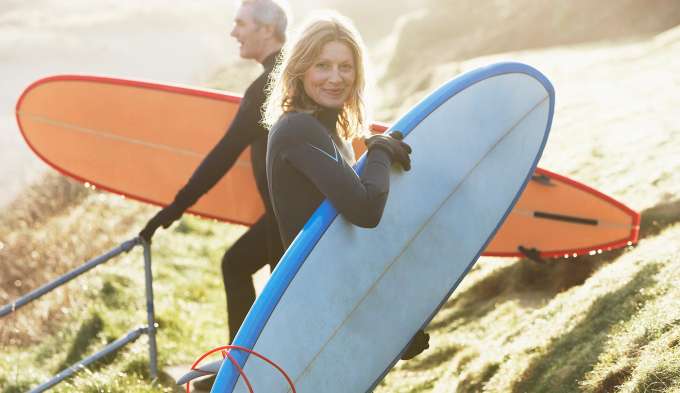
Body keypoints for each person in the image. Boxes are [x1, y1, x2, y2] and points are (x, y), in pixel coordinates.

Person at [263, 12, 429, 361]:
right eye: (322, 65)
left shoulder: (328, 131)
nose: (335, 78)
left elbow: (345, 231)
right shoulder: (298, 130)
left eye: (345, 67)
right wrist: (380, 149)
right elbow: (365, 210)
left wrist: (389, 318)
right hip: (315, 308)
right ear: (300, 70)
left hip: (336, 299)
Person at [139, 1, 288, 387]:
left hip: (288, 217)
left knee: (272, 295)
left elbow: (223, 155)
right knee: (238, 265)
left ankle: (246, 373)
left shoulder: (269, 86)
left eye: (241, 23)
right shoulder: (292, 72)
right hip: (292, 212)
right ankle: (244, 368)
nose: (233, 32)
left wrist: (173, 209)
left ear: (267, 30)